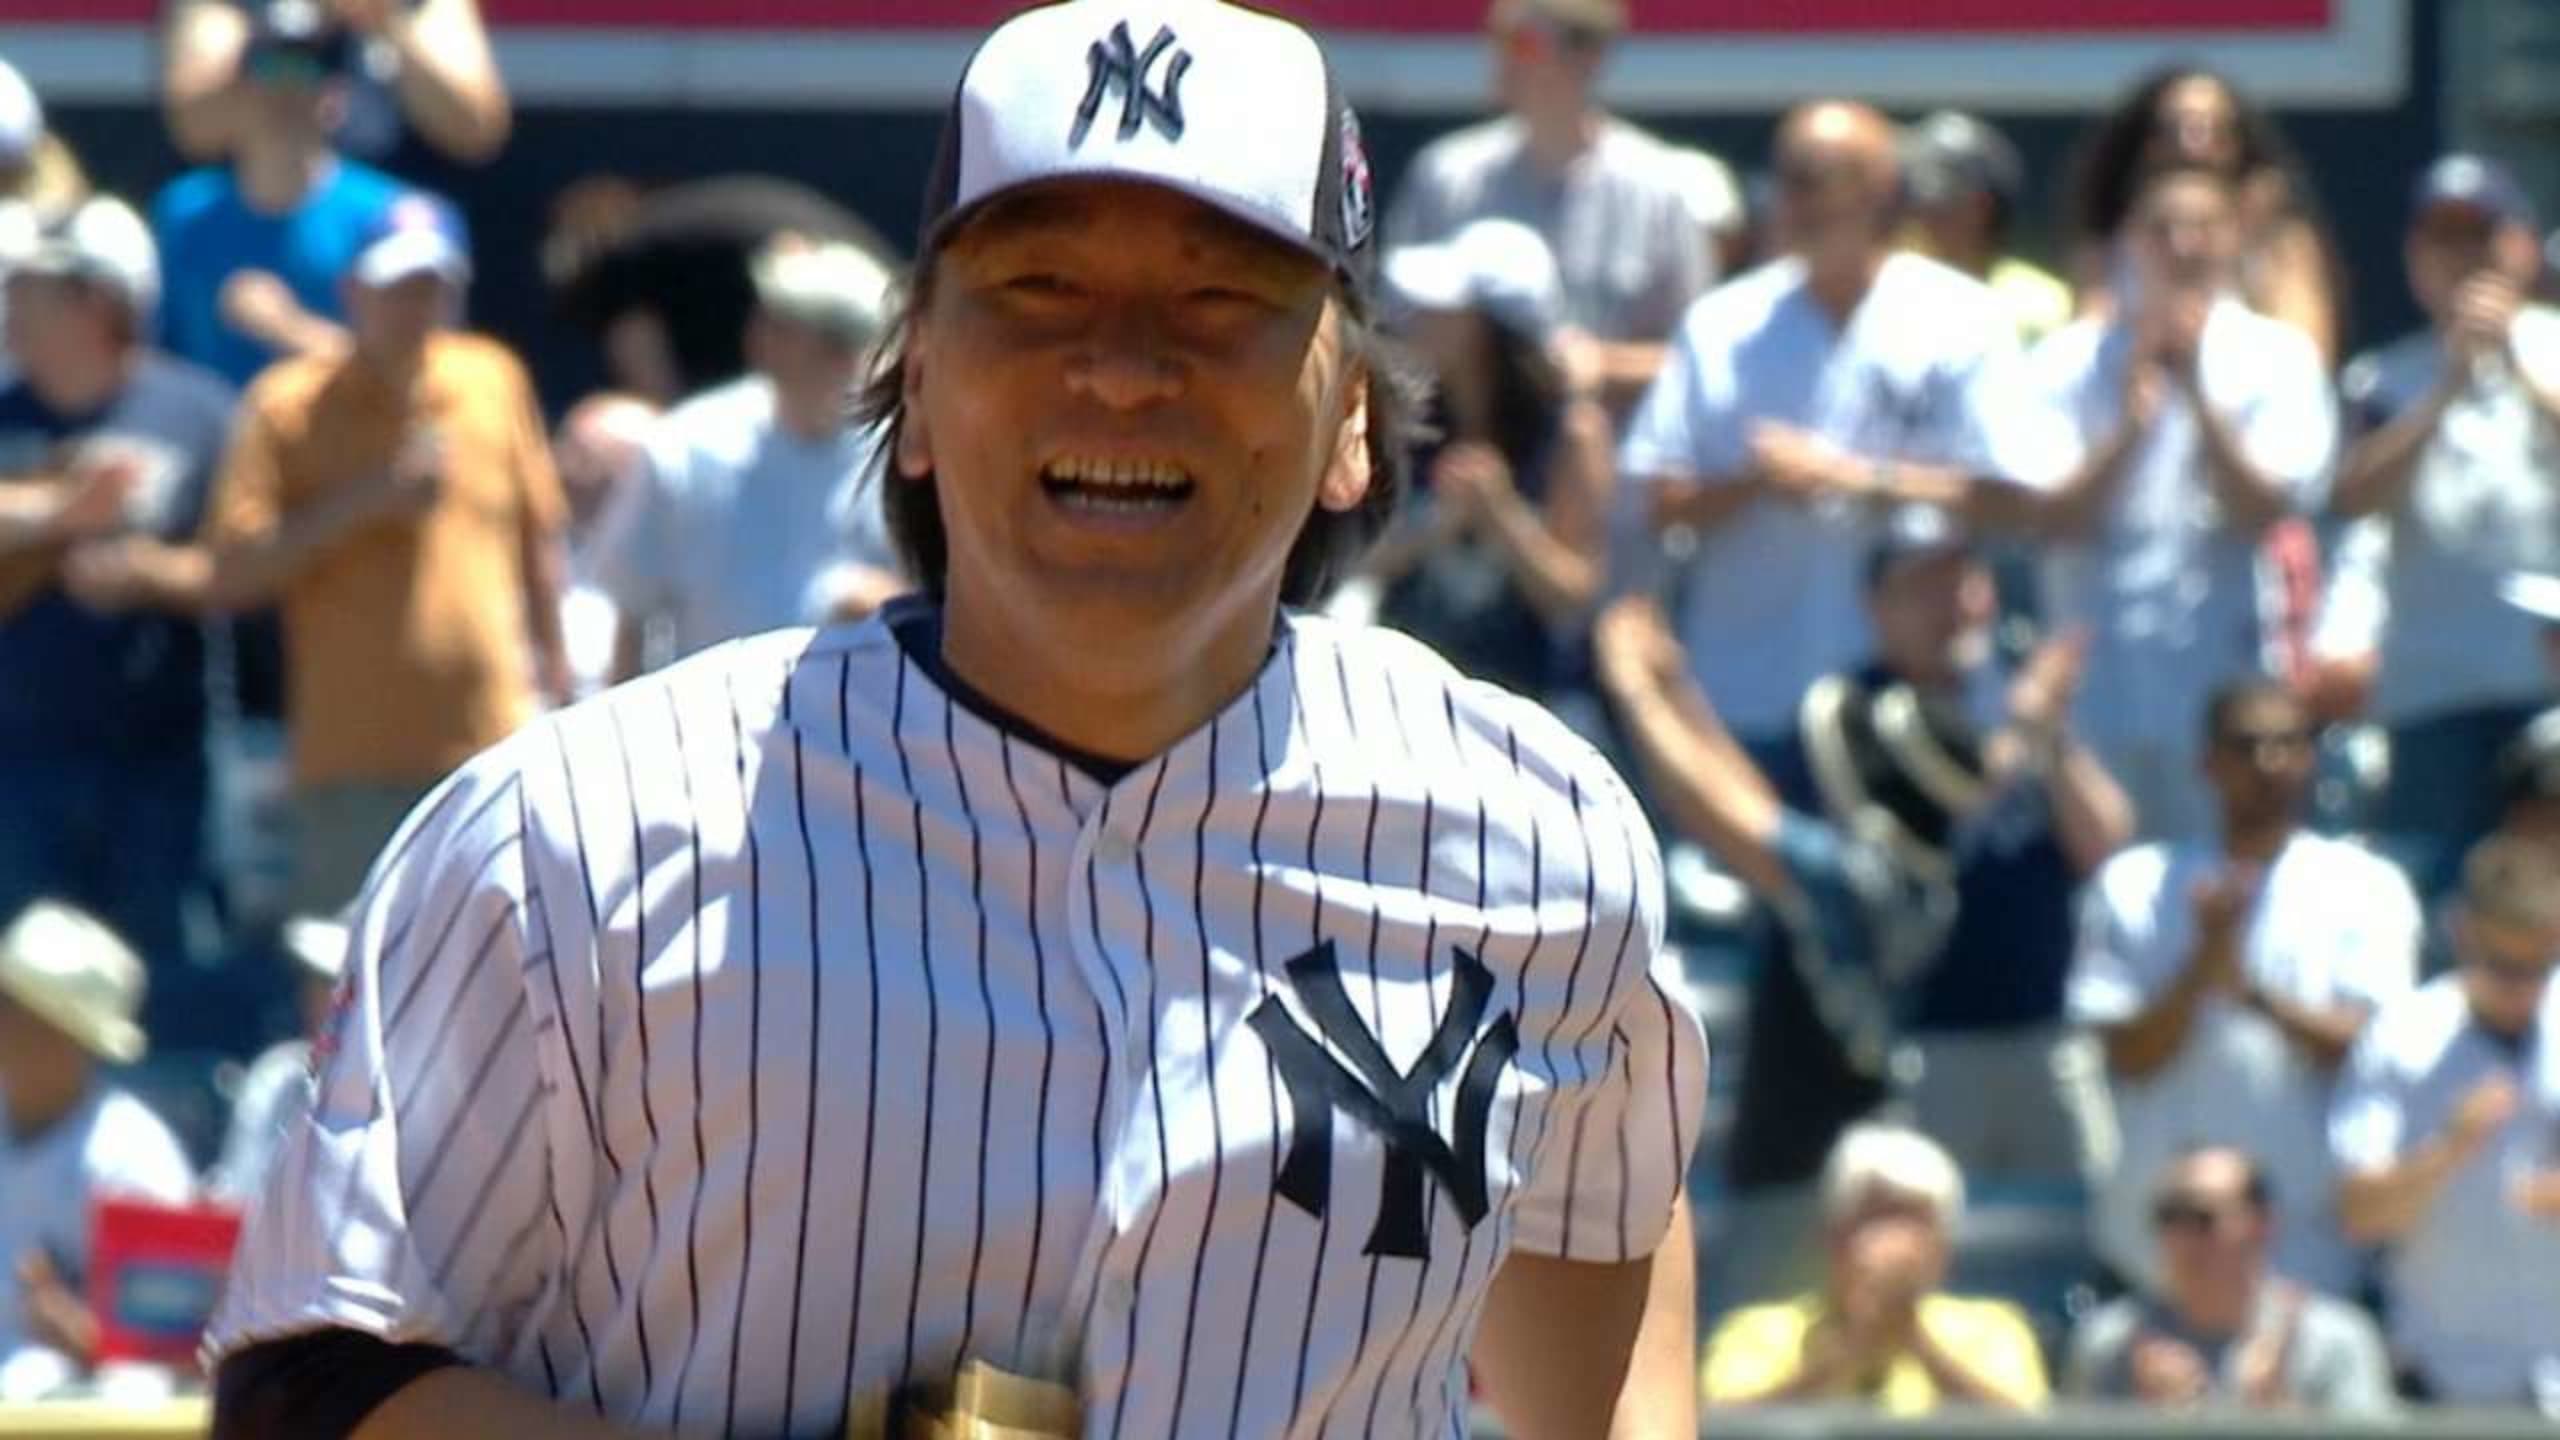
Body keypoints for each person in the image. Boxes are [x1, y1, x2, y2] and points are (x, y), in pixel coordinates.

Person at [204, 5, 1709, 1438]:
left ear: (1356, 419)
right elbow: (308, 1388)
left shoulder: (1532, 839)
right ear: (914, 387)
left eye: (1222, 300)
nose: (1123, 368)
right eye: (1037, 293)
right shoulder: (567, 839)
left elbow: (1606, 1227)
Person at [1590, 514, 2120, 1301]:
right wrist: (1676, 685)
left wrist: (1632, 689)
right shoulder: (1894, 866)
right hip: (1800, 1158)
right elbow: (1755, 803)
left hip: (1814, 1177)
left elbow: (1724, 818)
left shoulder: (1878, 884)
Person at [79, 193, 569, 919]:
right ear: (351, 292)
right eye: (396, 287)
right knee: (343, 982)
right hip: (351, 761)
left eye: (431, 288)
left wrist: (555, 684)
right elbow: (233, 572)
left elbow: (538, 541)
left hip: (492, 746)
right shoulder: (289, 407)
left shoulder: (492, 378)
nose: (414, 308)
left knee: (506, 971)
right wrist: (365, 502)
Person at [1618, 99, 2056, 762]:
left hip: (1912, 707)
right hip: (1747, 697)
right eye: (1786, 176)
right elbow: (1660, 498)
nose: (1794, 198)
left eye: (1817, 177)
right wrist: (1753, 483)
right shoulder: (1724, 322)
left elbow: (2019, 498)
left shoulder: (1963, 318)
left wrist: (1856, 479)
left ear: (1881, 186)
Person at [2069, 677, 2418, 1298]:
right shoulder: (2134, 885)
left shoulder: (2368, 887)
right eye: (2248, 745)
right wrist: (2204, 962)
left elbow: (2375, 1052)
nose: (2269, 764)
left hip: (2310, 1251)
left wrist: (2255, 996)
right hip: (2157, 1247)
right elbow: (2126, 1055)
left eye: (2288, 744)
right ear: (2208, 763)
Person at [2023, 161, 2336, 843]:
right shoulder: (2064, 361)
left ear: (2232, 240)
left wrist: (2196, 394)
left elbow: (2267, 510)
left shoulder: (2278, 357)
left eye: (2202, 228)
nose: (2183, 246)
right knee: (2104, 883)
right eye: (2163, 229)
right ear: (2130, 241)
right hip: (2098, 680)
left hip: (2220, 679)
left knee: (2216, 871)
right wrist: (2127, 434)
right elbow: (2047, 515)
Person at [0, 197, 240, 1049]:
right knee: (21, 990)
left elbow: (247, 567)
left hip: (163, 763)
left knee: (166, 984)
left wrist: (149, 576)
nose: (11, 299)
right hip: (17, 763)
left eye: (35, 284)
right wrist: (60, 512)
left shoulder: (201, 413)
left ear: (98, 302)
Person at [2333, 154, 2560, 903]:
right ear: (2414, 259)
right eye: (2444, 240)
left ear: (2523, 245)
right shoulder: (2385, 378)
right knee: (2431, 900)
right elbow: (2353, 495)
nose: (2465, 260)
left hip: (2548, 683)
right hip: (2433, 692)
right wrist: (2447, 387)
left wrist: (2519, 368)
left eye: (2482, 237)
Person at [590, 235, 904, 678]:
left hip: (861, 730)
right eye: (772, 321)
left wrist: (888, 605)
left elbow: (947, 607)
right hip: (710, 733)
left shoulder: (905, 455)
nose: (762, 332)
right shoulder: (685, 449)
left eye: (788, 324)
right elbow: (631, 614)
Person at [1385, 0, 1709, 412]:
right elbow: (1392, 332)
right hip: (1472, 452)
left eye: (1523, 43)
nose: (1502, 59)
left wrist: (1599, 364)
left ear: (1588, 57)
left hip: (1605, 454)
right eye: (1496, 41)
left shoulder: (1657, 190)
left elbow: (1696, 356)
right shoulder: (1447, 174)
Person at [2333, 833, 2560, 1406]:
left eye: (2536, 967)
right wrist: (2450, 1150)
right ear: (2463, 934)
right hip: (2444, 1379)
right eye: (2502, 965)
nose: (2520, 989)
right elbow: (2360, 1214)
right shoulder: (2404, 1037)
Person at [1359, 217, 1610, 713]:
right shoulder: (1407, 422)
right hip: (1408, 702)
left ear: (1483, 328)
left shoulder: (1573, 434)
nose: (1417, 317)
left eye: (1444, 308)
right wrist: (1436, 528)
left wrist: (1500, 517)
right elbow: (1361, 561)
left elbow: (1572, 598)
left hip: (1527, 707)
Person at [149, 0, 417, 390]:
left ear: (337, 94)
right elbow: (155, 355)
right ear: (238, 87)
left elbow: (413, 372)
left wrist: (290, 330)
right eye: (268, 67)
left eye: (308, 68)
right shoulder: (183, 211)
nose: (286, 87)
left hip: (341, 440)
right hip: (215, 440)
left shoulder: (388, 214)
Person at [1700, 1123, 2047, 1414]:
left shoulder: (1993, 1329)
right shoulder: (1758, 1333)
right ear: (1831, 1237)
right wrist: (1846, 1351)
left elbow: (2034, 1432)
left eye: (1914, 1220)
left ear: (1944, 1249)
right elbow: (1724, 1427)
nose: (1893, 1240)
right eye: (1874, 1216)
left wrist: (1916, 1342)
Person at [0, 901, 195, 1401]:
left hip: (73, 1415)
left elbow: (166, 1360)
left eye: (17, 1009)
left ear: (72, 1038)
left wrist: (73, 1332)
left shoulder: (137, 1157)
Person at [2066, 1145, 2395, 1414]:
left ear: (2261, 1224)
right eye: (2168, 1216)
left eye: (2200, 1217)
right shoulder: (2110, 1346)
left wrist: (2281, 1420)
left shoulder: (2333, 1340)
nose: (2180, 1237)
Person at [2065, 65, 2342, 361]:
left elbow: (2309, 353)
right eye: (2172, 129)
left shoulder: (2278, 240)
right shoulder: (2108, 239)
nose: (2192, 144)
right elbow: (2087, 338)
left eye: (2214, 129)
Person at [162, 0, 510, 164]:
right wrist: (280, 33)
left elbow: (476, 129)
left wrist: (387, 24)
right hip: (264, 227)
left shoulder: (425, 6)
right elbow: (195, 129)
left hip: (393, 237)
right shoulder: (227, 7)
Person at [1899, 110, 2072, 347]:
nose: (1917, 219)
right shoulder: (1891, 298)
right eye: (1909, 202)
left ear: (1981, 207)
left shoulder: (2042, 306)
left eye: (1935, 205)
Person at [206, 913, 345, 1203]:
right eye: (316, 984)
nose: (318, 1001)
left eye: (336, 986)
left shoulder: (393, 1094)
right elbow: (236, 1194)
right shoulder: (277, 1075)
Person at [549, 390, 656, 700]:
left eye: (586, 458)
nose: (564, 467)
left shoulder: (672, 570)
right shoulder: (536, 558)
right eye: (563, 448)